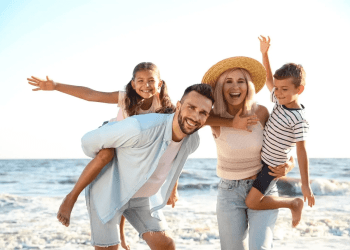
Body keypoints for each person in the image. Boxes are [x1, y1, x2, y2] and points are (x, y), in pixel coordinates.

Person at [27, 62, 174, 249]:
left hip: (133, 150)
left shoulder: (165, 107)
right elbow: (91, 95)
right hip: (113, 138)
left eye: (151, 81)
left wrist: (173, 188)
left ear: (160, 83)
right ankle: (70, 197)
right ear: (133, 83)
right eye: (141, 81)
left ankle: (120, 234)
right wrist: (56, 86)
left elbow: (172, 149)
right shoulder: (126, 97)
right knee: (106, 155)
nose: (146, 85)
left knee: (128, 181)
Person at [80, 84, 214, 249]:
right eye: (191, 107)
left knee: (166, 245)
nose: (195, 116)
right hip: (109, 189)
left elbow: (174, 162)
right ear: (178, 106)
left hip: (142, 196)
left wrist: (173, 187)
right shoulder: (140, 127)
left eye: (203, 112)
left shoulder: (192, 141)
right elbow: (88, 141)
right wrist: (107, 155)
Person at [202, 56, 295, 250]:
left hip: (262, 188)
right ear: (220, 87)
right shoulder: (212, 115)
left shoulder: (260, 112)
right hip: (229, 192)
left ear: (248, 86)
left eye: (240, 81)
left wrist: (290, 163)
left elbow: (281, 143)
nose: (235, 86)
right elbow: (188, 115)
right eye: (228, 81)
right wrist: (231, 123)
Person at [244, 36, 315, 227]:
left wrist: (305, 185)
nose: (278, 92)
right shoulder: (278, 100)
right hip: (260, 160)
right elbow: (268, 78)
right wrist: (264, 53)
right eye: (277, 88)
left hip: (271, 166)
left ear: (299, 89)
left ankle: (293, 203)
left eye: (284, 89)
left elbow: (302, 151)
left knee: (250, 202)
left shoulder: (299, 119)